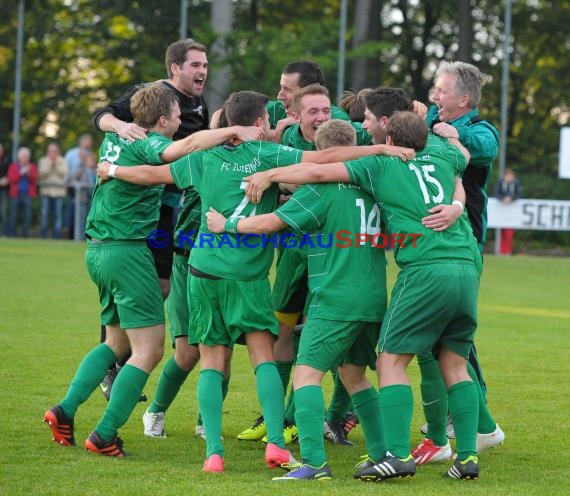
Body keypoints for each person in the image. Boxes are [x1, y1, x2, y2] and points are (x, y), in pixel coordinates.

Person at [96, 90, 414, 472]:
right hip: (250, 276)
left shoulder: (203, 157)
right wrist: (379, 151)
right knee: (265, 357)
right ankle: (277, 444)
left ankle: (213, 452)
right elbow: (323, 159)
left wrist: (112, 171)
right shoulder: (269, 155)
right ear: (260, 123)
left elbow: (153, 175)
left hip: (204, 270)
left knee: (212, 360)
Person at [239, 110, 484, 481]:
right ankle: (459, 457)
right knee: (370, 372)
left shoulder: (368, 173)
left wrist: (235, 214)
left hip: (350, 292)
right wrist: (457, 200)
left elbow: (314, 176)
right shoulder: (437, 156)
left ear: (385, 142)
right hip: (457, 269)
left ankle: (320, 464)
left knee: (318, 373)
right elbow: (462, 159)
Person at [43, 83, 264, 457]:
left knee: (116, 343)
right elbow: (185, 147)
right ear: (163, 119)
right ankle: (105, 434)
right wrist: (233, 130)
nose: (182, 120)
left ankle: (63, 411)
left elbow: (152, 156)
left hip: (98, 249)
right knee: (148, 351)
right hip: (127, 252)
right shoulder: (148, 143)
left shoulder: (117, 140)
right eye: (178, 114)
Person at [205, 119, 389, 480]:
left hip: (337, 296)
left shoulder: (321, 191)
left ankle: (314, 464)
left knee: (305, 376)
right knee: (354, 375)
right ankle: (382, 454)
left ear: (321, 154)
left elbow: (270, 223)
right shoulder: (371, 185)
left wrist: (224, 225)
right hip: (373, 296)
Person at [91, 39, 210, 401]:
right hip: (147, 209)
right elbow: (101, 115)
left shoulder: (200, 104)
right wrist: (119, 126)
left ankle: (119, 358)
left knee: (161, 286)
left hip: (174, 207)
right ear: (175, 67)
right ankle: (114, 365)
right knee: (146, 286)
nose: (202, 71)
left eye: (205, 64)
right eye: (195, 65)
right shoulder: (152, 94)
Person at [416, 61, 504, 462]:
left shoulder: (480, 130)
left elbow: (484, 149)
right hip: (437, 249)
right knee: (446, 334)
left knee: (454, 335)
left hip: (464, 248)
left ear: (464, 99)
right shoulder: (434, 119)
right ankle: (468, 419)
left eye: (441, 90)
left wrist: (455, 134)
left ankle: (478, 423)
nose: (435, 96)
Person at [64, 134, 96, 240]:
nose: (89, 144)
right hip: (76, 190)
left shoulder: (91, 155)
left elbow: (93, 172)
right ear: (82, 142)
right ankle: (78, 237)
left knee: (89, 215)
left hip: (90, 189)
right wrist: (82, 162)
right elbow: (68, 172)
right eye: (88, 141)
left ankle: (86, 237)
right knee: (77, 215)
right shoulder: (72, 154)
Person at [38, 143, 68, 239]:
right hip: (46, 192)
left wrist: (56, 165)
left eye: (55, 151)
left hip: (58, 193)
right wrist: (50, 164)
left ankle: (57, 237)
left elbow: (64, 173)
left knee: (58, 216)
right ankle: (43, 236)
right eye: (51, 151)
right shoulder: (43, 161)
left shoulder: (63, 161)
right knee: (44, 215)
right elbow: (42, 174)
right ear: (48, 152)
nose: (53, 153)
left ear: (58, 152)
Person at [7, 147, 37, 238]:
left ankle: (25, 235)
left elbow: (34, 180)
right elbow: (12, 180)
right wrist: (20, 173)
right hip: (16, 194)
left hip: (27, 194)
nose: (24, 158)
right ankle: (12, 234)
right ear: (19, 157)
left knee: (27, 215)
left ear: (29, 157)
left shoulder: (32, 167)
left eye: (26, 156)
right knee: (14, 214)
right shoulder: (13, 166)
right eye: (23, 156)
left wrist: (28, 173)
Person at [494, 168, 521, 255]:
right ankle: (501, 250)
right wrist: (503, 199)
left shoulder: (516, 184)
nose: (510, 177)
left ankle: (507, 251)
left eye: (511, 176)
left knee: (509, 233)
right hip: (501, 212)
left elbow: (519, 195)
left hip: (512, 213)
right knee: (501, 232)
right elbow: (496, 194)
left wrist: (511, 199)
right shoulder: (500, 183)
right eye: (508, 176)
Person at [0, 142, 10, 236]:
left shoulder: (7, 160)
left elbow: (11, 173)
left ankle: (3, 233)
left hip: (4, 190)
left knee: (4, 212)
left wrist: (7, 178)